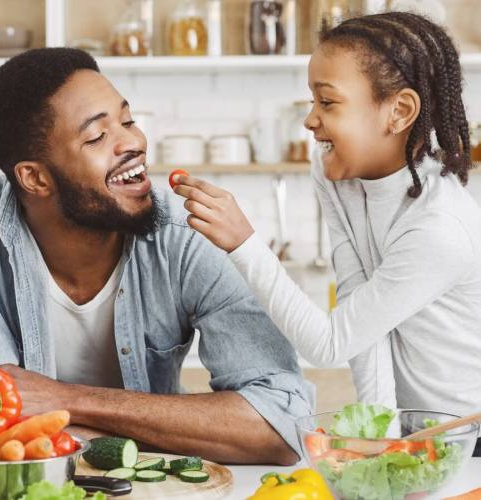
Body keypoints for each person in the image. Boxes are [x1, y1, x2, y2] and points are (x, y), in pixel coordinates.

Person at [0, 48, 313, 464]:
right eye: (96, 137)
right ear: (35, 177)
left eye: (127, 121)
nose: (134, 142)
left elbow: (281, 428)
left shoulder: (188, 232)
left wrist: (64, 399)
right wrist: (184, 432)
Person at [173, 11, 481, 454]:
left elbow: (330, 345)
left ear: (399, 111)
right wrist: (382, 441)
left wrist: (244, 243)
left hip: (467, 441)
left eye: (329, 102)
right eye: (312, 101)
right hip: (415, 439)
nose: (310, 120)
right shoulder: (338, 175)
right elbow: (362, 323)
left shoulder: (439, 228)